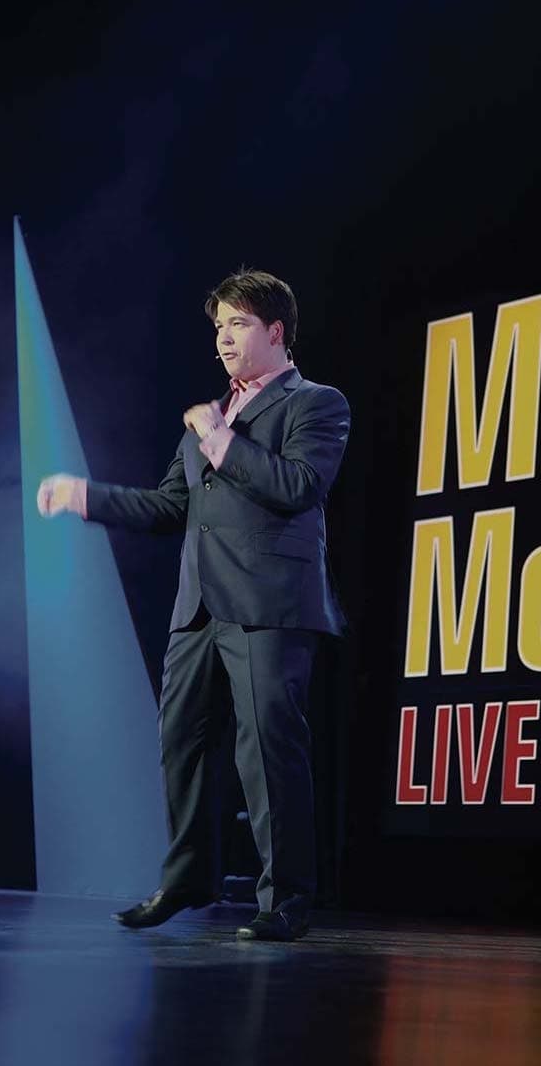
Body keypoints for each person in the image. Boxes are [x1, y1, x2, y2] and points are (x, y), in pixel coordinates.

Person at [36, 268, 348, 942]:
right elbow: (167, 507)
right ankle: (188, 879)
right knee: (183, 742)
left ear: (275, 332)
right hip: (198, 608)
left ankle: (286, 897)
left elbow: (298, 485)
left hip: (268, 604)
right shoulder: (206, 421)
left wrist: (222, 440)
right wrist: (84, 496)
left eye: (238, 324)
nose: (223, 339)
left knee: (267, 749)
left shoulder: (315, 404)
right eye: (218, 327)